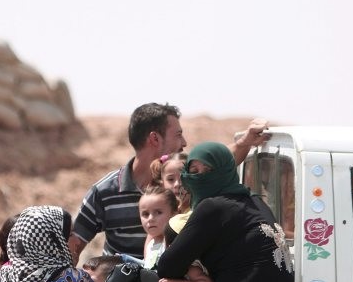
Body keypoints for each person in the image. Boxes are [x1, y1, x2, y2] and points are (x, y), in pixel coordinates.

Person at [105, 142, 297, 282]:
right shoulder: (257, 203)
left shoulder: (213, 207)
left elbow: (168, 267)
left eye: (209, 170)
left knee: (136, 279)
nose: (200, 177)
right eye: (194, 171)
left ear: (226, 170)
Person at [70, 103, 270, 264]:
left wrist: (245, 141)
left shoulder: (186, 180)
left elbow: (220, 164)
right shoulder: (104, 192)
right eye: (178, 134)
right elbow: (75, 245)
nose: (184, 142)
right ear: (155, 139)